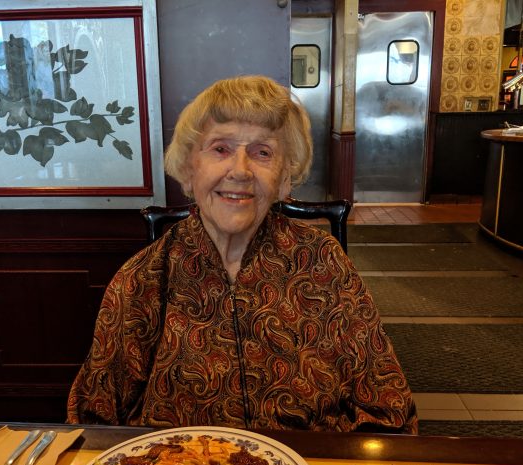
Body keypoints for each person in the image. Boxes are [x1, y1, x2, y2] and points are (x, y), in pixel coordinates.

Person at [67, 75, 417, 433]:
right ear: (189, 169)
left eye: (262, 153)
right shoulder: (143, 279)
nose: (240, 170)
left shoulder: (322, 262)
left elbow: (387, 404)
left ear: (284, 178)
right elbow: (95, 421)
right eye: (220, 149)